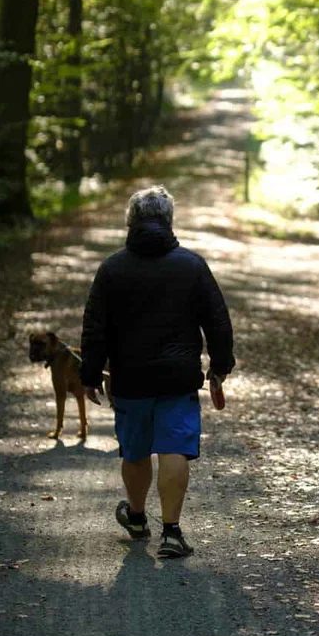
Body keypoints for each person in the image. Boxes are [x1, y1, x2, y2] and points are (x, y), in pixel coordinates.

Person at [79, 185, 234, 558]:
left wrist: (89, 374)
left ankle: (135, 517)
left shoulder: (112, 268)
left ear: (130, 223)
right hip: (178, 378)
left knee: (134, 452)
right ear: (168, 221)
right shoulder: (192, 266)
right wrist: (220, 367)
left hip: (130, 379)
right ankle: (172, 533)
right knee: (174, 447)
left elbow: (95, 326)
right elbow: (217, 321)